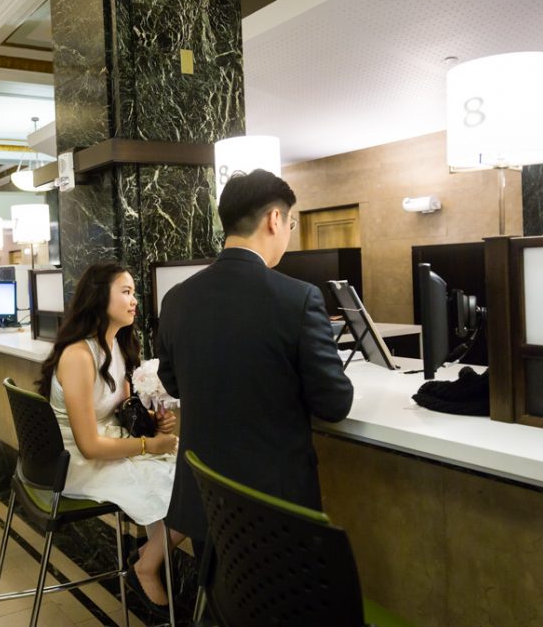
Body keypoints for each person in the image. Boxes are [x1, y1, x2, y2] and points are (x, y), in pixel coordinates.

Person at [157, 170, 354, 547]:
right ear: (274, 219)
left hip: (207, 502)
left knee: (225, 599)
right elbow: (334, 403)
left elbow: (174, 383)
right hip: (275, 511)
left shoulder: (177, 298)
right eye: (291, 223)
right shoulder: (298, 298)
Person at [37, 262, 180, 614]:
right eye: (126, 292)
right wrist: (151, 445)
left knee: (186, 470)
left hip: (104, 446)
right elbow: (89, 444)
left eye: (134, 293)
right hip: (76, 462)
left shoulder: (116, 346)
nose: (135, 301)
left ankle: (150, 557)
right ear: (100, 297)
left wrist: (152, 422)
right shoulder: (77, 356)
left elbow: (121, 411)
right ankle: (147, 566)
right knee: (183, 484)